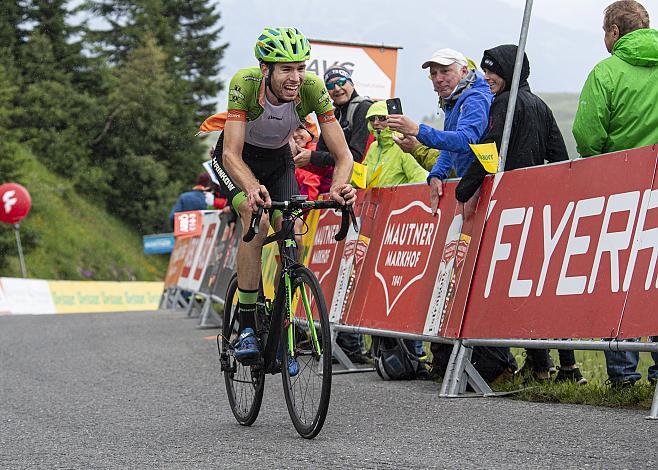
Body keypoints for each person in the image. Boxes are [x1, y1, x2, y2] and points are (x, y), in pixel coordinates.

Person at [210, 27, 356, 370]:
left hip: (278, 163)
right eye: (286, 69)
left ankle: (281, 326)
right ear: (266, 70)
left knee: (292, 230)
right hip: (237, 160)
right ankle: (247, 325)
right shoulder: (245, 84)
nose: (296, 77)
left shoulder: (312, 89)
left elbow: (344, 156)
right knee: (255, 218)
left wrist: (338, 187)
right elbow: (231, 153)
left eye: (301, 67)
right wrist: (249, 186)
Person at [456, 45, 584, 384]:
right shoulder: (540, 104)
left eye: (493, 71)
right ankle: (565, 366)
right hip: (542, 208)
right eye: (484, 71)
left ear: (511, 72)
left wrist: (464, 188)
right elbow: (559, 154)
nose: (486, 77)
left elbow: (490, 148)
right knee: (546, 289)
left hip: (514, 210)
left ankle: (539, 364)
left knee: (522, 289)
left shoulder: (505, 104)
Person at [572, 0, 658, 387]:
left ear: (615, 32)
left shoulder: (606, 72)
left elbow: (587, 135)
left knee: (620, 279)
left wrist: (603, 166)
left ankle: (623, 376)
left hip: (621, 194)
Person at [294, 65, 373, 365]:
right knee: (338, 270)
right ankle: (342, 341)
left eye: (342, 83)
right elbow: (328, 157)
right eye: (331, 86)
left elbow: (353, 155)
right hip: (336, 197)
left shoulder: (361, 109)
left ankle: (353, 345)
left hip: (360, 195)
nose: (337, 88)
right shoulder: (333, 114)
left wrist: (313, 157)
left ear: (352, 83)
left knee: (354, 269)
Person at [385, 48, 493, 215]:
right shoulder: (454, 98)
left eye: (445, 71)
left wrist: (417, 130)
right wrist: (436, 174)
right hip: (471, 185)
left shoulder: (475, 98)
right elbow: (450, 147)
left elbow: (466, 141)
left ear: (464, 71)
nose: (438, 79)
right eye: (433, 74)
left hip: (486, 186)